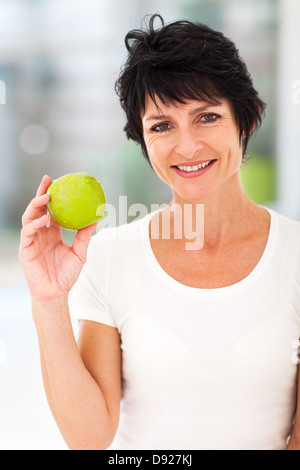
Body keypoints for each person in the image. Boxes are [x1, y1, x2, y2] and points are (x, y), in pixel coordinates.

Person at [19, 14, 300, 450]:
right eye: (162, 126)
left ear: (248, 119)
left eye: (206, 117)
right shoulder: (109, 258)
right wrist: (49, 301)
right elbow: (89, 439)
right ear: (142, 139)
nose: (186, 147)